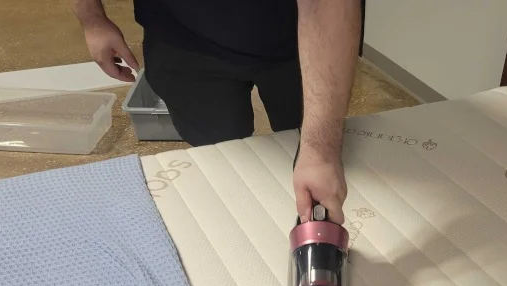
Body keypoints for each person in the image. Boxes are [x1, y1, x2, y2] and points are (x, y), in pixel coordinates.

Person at [72, 0, 362, 224]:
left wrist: (321, 151)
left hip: (301, 36)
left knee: (314, 160)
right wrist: (92, 18)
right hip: (181, 35)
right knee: (221, 163)